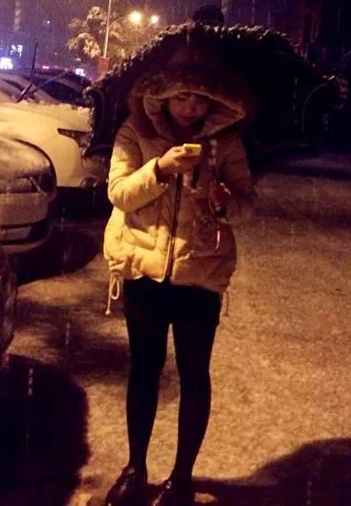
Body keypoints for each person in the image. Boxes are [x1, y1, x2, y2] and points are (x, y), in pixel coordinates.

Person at [103, 53, 256, 506]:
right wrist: (160, 168)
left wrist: (222, 200)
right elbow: (119, 194)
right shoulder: (135, 132)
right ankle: (135, 468)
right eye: (182, 97)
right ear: (164, 96)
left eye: (200, 100)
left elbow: (246, 205)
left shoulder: (225, 143)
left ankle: (181, 478)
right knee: (144, 371)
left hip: (201, 273)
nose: (190, 108)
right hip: (143, 270)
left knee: (194, 374)